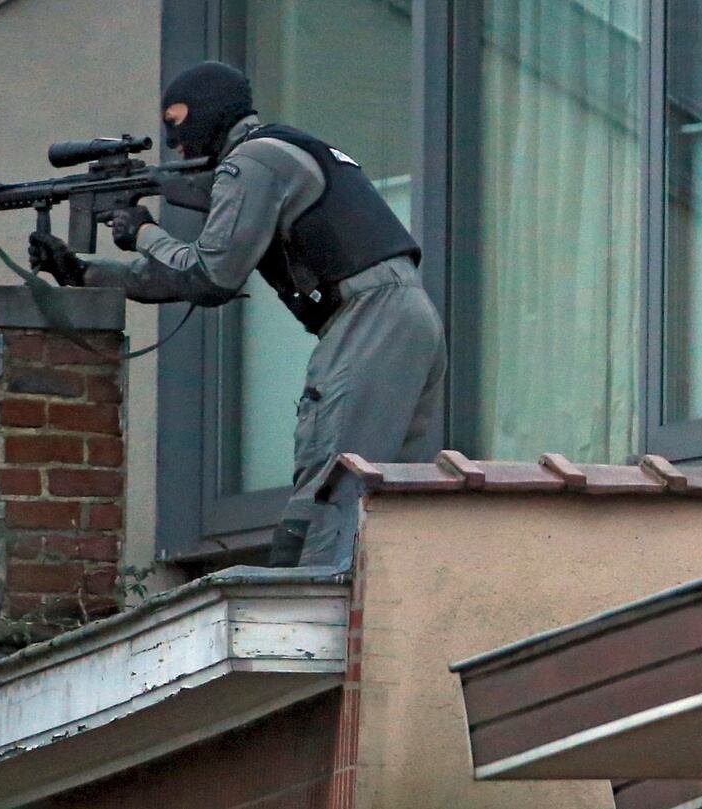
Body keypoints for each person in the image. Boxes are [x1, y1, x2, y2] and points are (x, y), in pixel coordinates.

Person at [28, 61, 447, 566]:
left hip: (369, 318)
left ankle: (306, 621)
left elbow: (210, 278)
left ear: (209, 115)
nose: (177, 144)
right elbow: (192, 275)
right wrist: (85, 271)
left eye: (180, 124)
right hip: (402, 315)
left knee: (333, 484)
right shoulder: (281, 149)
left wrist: (143, 231)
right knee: (391, 502)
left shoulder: (251, 162)